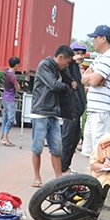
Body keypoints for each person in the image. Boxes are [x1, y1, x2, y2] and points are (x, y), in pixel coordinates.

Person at [30, 45, 74, 187]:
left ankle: (59, 179)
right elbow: (53, 85)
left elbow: (71, 80)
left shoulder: (60, 69)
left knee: (56, 149)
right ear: (60, 57)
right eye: (66, 62)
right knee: (37, 148)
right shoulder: (45, 66)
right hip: (41, 112)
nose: (67, 65)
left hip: (54, 113)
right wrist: (67, 86)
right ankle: (37, 178)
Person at [80, 25, 110, 156]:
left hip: (103, 112)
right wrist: (94, 79)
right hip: (94, 111)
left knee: (102, 155)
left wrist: (94, 79)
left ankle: (102, 177)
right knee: (92, 155)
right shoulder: (100, 57)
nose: (93, 41)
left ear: (103, 38)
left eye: (95, 38)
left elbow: (92, 80)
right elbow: (83, 77)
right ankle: (92, 177)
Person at [60, 41, 87, 175]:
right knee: (68, 138)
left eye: (82, 54)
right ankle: (63, 168)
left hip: (78, 110)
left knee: (75, 138)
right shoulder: (69, 66)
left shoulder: (77, 68)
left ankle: (66, 166)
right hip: (71, 109)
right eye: (77, 53)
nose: (80, 56)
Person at [0, 56, 21, 147]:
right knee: (11, 120)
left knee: (5, 118)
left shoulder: (7, 72)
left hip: (4, 98)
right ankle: (5, 138)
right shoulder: (13, 76)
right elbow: (18, 88)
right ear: (16, 65)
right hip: (10, 99)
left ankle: (3, 137)